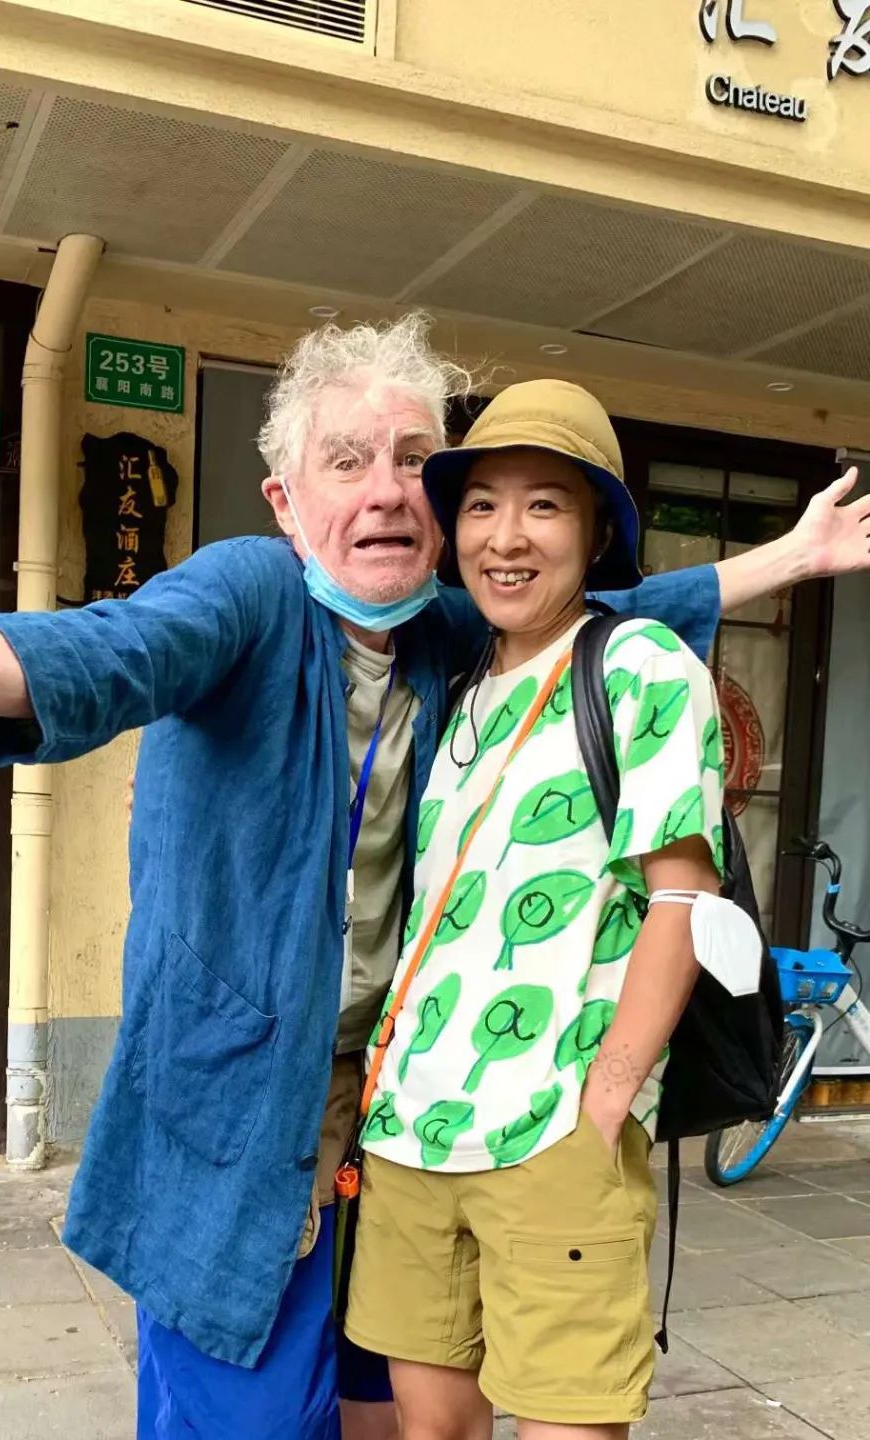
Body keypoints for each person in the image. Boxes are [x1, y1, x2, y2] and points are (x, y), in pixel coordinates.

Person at [0, 315, 865, 1440]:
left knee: (386, 1411)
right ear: (285, 502)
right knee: (244, 1421)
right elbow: (113, 649)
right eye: (346, 461)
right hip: (239, 1115)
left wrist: (787, 560)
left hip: (401, 1121)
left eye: (412, 460)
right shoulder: (249, 596)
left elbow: (598, 614)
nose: (386, 491)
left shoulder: (450, 636)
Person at [345, 379, 727, 1440]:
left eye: (545, 505)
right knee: (431, 1428)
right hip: (412, 1129)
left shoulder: (639, 666)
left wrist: (606, 1101)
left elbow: (682, 896)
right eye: (481, 504)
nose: (505, 537)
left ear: (597, 532)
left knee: (569, 1424)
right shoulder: (461, 685)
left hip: (552, 1128)